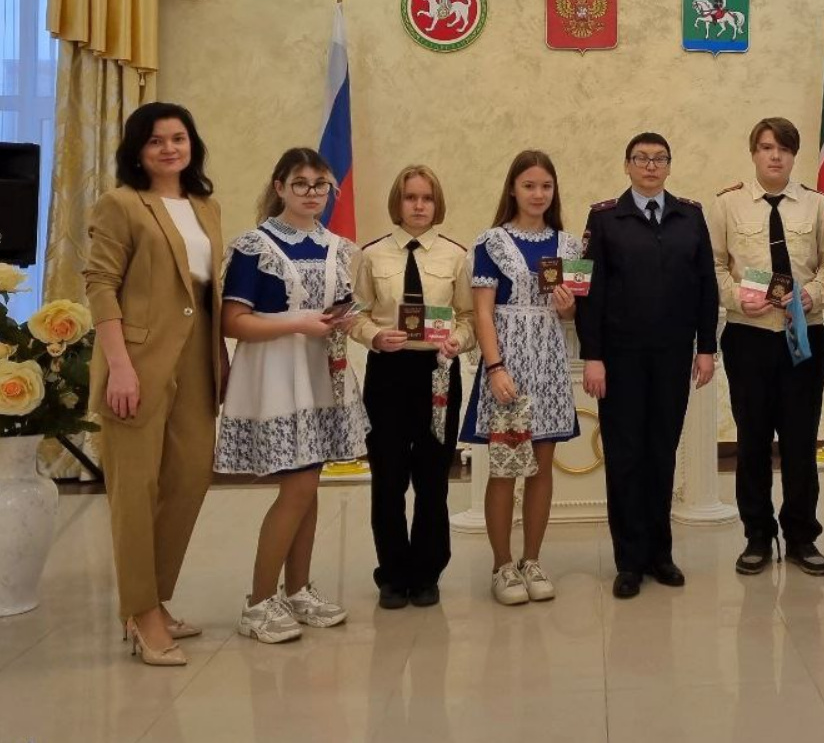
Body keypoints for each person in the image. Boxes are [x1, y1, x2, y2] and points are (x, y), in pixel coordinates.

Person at [85, 102, 226, 667]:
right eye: (156, 141)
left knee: (190, 477)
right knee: (134, 490)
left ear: (192, 144)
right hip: (136, 360)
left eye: (178, 138)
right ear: (137, 151)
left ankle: (154, 599)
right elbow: (100, 285)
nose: (169, 148)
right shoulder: (120, 204)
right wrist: (118, 365)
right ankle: (141, 613)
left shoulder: (207, 207)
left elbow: (206, 292)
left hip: (196, 359)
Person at [216, 147, 369, 644]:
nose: (311, 193)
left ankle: (298, 589)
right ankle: (259, 602)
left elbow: (343, 310)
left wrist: (359, 325)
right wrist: (298, 322)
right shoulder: (253, 246)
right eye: (300, 183)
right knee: (298, 486)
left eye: (320, 184)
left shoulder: (340, 248)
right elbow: (234, 321)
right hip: (276, 374)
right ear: (279, 187)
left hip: (323, 372)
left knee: (310, 484)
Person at [578, 132, 719, 599]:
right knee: (625, 457)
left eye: (659, 159)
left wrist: (706, 347)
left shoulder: (689, 216)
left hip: (673, 355)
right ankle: (629, 561)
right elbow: (591, 293)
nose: (650, 166)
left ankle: (661, 554)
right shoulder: (605, 219)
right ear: (627, 166)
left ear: (669, 166)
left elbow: (706, 284)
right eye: (641, 158)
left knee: (661, 453)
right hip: (620, 360)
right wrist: (593, 356)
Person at [708, 117, 824, 577]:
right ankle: (758, 536)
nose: (775, 156)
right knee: (753, 440)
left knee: (800, 441)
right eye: (766, 147)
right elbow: (714, 266)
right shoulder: (727, 205)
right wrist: (735, 298)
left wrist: (811, 296)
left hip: (804, 335)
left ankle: (802, 536)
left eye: (783, 148)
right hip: (749, 336)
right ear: (754, 153)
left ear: (794, 155)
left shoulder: (819, 206)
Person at [350, 165, 476, 610]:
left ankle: (426, 573)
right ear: (398, 203)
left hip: (437, 373)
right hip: (388, 371)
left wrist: (457, 341)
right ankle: (392, 573)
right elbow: (355, 313)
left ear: (436, 203)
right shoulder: (372, 255)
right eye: (410, 197)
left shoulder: (456, 256)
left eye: (426, 198)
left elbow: (469, 317)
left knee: (432, 477)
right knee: (388, 479)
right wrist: (374, 336)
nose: (419, 206)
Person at [460, 150, 581, 606]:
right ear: (513, 189)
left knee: (541, 467)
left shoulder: (569, 246)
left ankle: (532, 559)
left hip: (548, 363)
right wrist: (495, 368)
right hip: (508, 363)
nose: (538, 194)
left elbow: (571, 315)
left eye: (545, 186)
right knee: (505, 468)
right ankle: (502, 564)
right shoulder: (491, 242)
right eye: (529, 185)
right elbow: (483, 312)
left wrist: (569, 307)